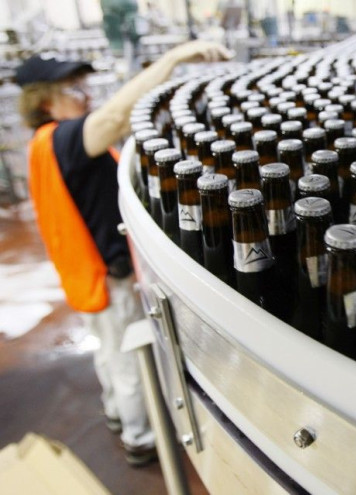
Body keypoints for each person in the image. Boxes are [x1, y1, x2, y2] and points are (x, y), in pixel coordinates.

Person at [15, 40, 232, 466]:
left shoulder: (44, 142)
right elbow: (115, 116)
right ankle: (141, 437)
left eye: (84, 85)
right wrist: (174, 58)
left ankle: (117, 414)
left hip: (83, 271)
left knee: (109, 351)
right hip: (107, 274)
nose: (86, 95)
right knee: (131, 358)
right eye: (73, 89)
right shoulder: (67, 140)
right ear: (43, 101)